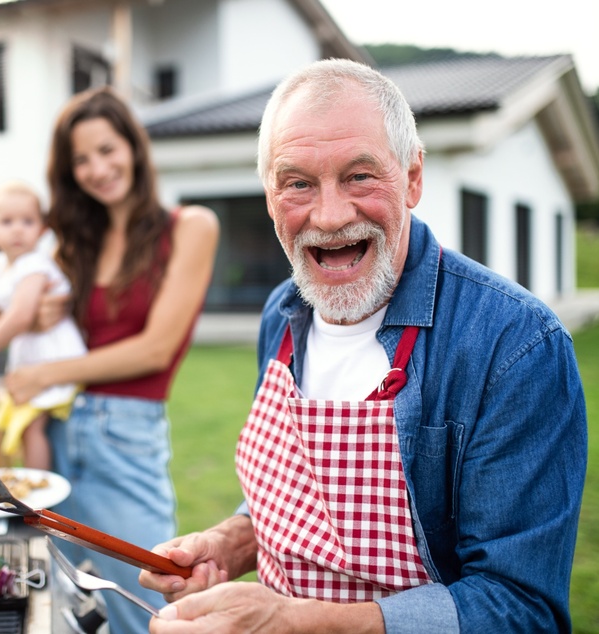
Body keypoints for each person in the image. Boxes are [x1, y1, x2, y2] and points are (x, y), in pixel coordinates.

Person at [138, 59, 587, 633]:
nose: (329, 216)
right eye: (297, 182)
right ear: (271, 198)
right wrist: (231, 543)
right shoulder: (282, 311)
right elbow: (306, 498)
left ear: (414, 177)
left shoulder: (516, 345)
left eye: (360, 176)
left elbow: (523, 610)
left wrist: (297, 622)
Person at [4, 86, 219, 632]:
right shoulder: (72, 244)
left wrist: (45, 372)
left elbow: (156, 347)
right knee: (59, 608)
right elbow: (20, 297)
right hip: (57, 431)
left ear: (134, 146)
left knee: (147, 612)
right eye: (81, 159)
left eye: (107, 149)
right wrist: (38, 313)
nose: (98, 168)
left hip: (124, 437)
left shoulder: (190, 227)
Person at [0, 180, 87, 470]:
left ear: (42, 230)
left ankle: (37, 487)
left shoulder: (35, 265)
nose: (17, 229)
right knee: (18, 419)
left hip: (53, 354)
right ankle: (24, 478)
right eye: (7, 221)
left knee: (31, 423)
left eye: (27, 221)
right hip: (28, 353)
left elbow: (20, 315)